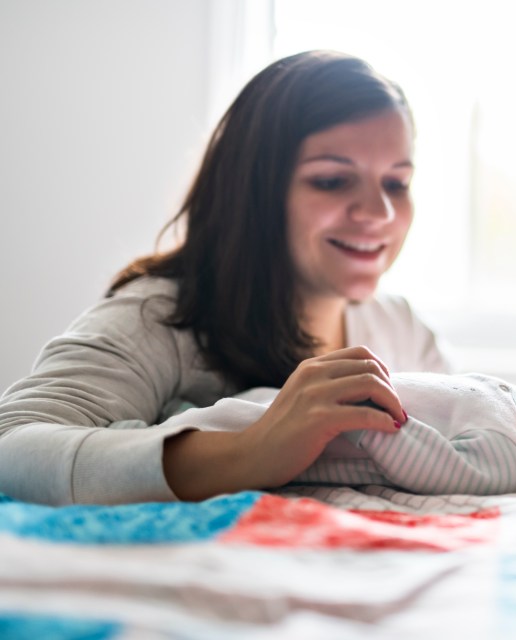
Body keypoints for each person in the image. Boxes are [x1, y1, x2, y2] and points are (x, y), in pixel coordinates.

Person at [0, 51, 452, 506]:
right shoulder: (160, 319)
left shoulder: (401, 329)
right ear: (253, 190)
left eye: (397, 183)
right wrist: (252, 450)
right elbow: (11, 446)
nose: (380, 213)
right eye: (333, 181)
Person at [155, 368, 516, 499]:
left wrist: (363, 424)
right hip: (310, 404)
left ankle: (152, 430)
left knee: (232, 425)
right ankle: (179, 412)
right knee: (246, 404)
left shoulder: (510, 467)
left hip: (325, 433)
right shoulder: (515, 411)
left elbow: (433, 468)